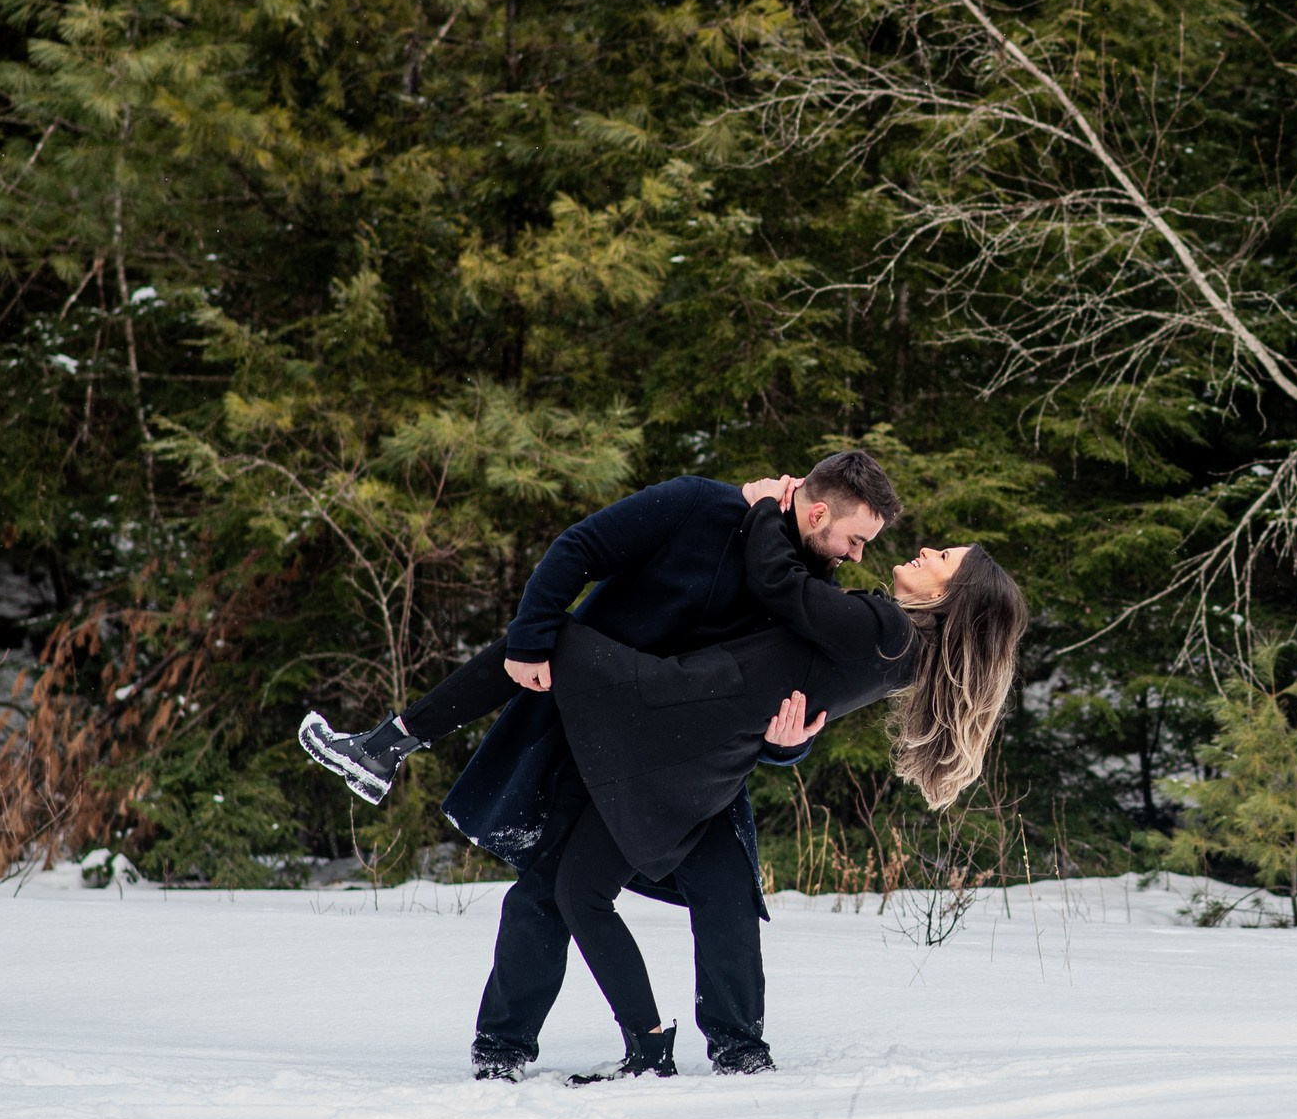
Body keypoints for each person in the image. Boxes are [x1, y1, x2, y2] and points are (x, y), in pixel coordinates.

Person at [297, 453, 900, 1081]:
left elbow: (788, 696)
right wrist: (530, 637)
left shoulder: (807, 590)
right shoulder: (699, 504)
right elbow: (580, 547)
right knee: (548, 888)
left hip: (697, 766)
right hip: (604, 726)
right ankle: (503, 1047)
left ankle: (740, 1048)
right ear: (819, 510)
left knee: (727, 892)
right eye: (855, 539)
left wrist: (788, 743)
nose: (858, 556)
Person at [531, 488, 1026, 1083]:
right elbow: (802, 681)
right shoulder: (894, 637)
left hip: (689, 752)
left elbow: (782, 588)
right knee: (722, 902)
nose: (925, 549)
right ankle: (730, 1049)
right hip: (707, 759)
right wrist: (787, 743)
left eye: (943, 556)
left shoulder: (890, 632)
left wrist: (765, 506)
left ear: (951, 594)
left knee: (620, 894)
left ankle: (695, 1048)